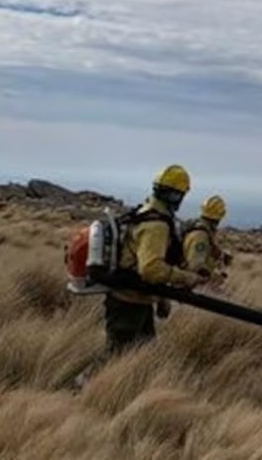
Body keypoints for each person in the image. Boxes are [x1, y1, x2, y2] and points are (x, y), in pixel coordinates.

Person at [74, 164, 207, 389]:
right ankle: (82, 388)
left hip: (138, 299)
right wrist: (186, 278)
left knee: (145, 352)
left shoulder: (145, 212)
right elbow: (150, 269)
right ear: (176, 195)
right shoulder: (156, 225)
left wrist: (161, 299)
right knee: (117, 354)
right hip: (128, 301)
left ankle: (133, 391)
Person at [182, 194, 233, 290]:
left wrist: (220, 255)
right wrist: (216, 278)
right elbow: (196, 267)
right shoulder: (201, 236)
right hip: (183, 285)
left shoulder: (201, 228)